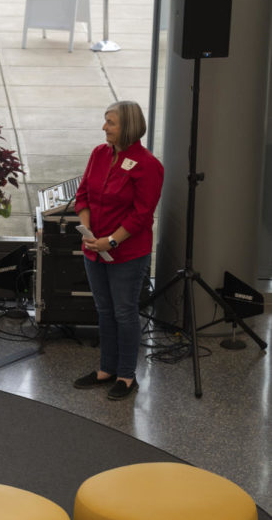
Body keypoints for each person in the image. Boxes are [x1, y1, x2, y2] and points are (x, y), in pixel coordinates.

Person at [73, 100, 163, 400]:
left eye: (110, 122)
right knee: (104, 311)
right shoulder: (99, 154)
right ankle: (105, 370)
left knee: (124, 313)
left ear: (128, 127)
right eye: (105, 121)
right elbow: (83, 194)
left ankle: (126, 375)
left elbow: (141, 215)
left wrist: (110, 241)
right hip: (94, 249)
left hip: (126, 254)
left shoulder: (149, 166)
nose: (104, 127)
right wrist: (88, 233)